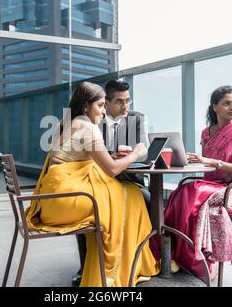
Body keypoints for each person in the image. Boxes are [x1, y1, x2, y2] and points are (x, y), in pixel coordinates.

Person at [25, 82, 159, 287]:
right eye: (101, 106)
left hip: (52, 199)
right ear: (86, 106)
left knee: (125, 195)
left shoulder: (66, 122)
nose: (104, 112)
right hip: (66, 201)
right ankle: (118, 271)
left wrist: (111, 157)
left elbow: (75, 159)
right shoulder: (88, 127)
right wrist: (135, 154)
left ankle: (106, 265)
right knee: (132, 197)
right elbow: (113, 170)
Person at [150, 85, 232, 281]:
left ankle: (193, 260)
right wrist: (197, 160)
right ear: (214, 107)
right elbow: (210, 170)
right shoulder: (206, 133)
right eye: (226, 103)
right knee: (181, 192)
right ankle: (171, 254)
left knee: (191, 192)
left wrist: (213, 162)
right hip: (211, 184)